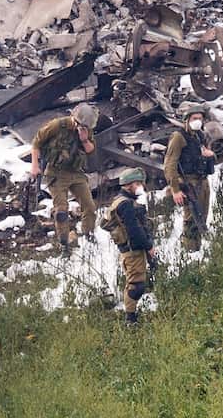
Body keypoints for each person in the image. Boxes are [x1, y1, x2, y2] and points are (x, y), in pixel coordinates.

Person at [30, 103, 98, 249]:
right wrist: (35, 166)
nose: (82, 127)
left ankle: (88, 236)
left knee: (90, 207)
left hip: (76, 172)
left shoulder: (87, 130)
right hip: (56, 172)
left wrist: (84, 139)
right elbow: (36, 142)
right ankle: (64, 243)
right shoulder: (58, 125)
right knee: (61, 210)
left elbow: (91, 150)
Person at [101, 168, 157, 326]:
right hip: (133, 251)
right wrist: (148, 246)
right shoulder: (125, 204)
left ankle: (131, 317)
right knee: (135, 285)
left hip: (131, 250)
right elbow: (134, 231)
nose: (140, 186)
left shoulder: (123, 201)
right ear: (128, 185)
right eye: (138, 183)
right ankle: (130, 320)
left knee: (137, 282)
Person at [164, 104, 216, 250]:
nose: (197, 121)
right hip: (189, 182)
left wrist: (211, 156)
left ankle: (197, 247)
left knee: (202, 216)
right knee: (191, 219)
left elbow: (210, 158)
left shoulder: (201, 136)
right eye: (194, 118)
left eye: (200, 118)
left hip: (203, 181)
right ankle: (190, 250)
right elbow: (170, 165)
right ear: (187, 120)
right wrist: (175, 189)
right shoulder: (179, 137)